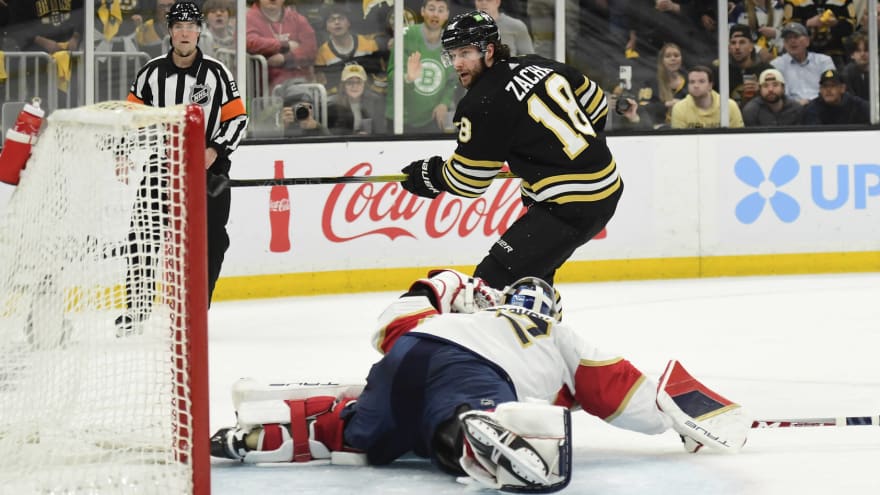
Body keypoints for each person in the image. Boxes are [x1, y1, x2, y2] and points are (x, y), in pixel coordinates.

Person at [208, 271, 751, 492]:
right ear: (552, 309)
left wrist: (444, 284)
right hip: (474, 373)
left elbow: (387, 328)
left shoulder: (467, 313)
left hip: (414, 349)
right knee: (453, 415)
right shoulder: (562, 337)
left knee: (367, 434)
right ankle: (470, 432)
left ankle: (284, 433)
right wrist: (677, 425)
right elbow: (623, 392)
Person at [398, 11, 622, 290]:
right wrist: (573, 150)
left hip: (568, 206)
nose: (457, 63)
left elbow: (469, 181)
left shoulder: (482, 102)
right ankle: (543, 328)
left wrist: (430, 175)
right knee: (533, 280)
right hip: (606, 185)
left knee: (493, 284)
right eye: (452, 55)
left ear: (488, 50)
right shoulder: (538, 64)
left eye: (465, 53)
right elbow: (597, 104)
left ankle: (534, 327)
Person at [122, 1, 248, 333]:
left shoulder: (218, 72)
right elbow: (131, 118)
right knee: (142, 236)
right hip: (162, 168)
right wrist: (124, 150)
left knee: (213, 241)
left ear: (199, 31)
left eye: (190, 26)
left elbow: (238, 118)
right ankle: (137, 308)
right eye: (178, 26)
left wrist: (215, 149)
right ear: (170, 31)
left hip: (210, 173)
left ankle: (197, 308)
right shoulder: (150, 73)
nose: (184, 32)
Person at [386, 0, 457, 134]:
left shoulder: (450, 44)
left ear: (447, 15)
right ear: (422, 11)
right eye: (431, 9)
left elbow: (452, 81)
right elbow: (391, 74)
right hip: (400, 119)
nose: (435, 14)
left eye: (441, 10)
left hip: (430, 120)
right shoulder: (406, 36)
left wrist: (444, 103)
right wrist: (407, 78)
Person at [246, 0, 318, 88]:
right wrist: (284, 46)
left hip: (301, 85)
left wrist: (285, 59)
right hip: (265, 89)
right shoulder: (248, 18)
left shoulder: (296, 18)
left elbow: (311, 48)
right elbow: (249, 42)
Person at [314, 4, 382, 96]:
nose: (337, 22)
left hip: (369, 98)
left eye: (341, 18)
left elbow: (380, 77)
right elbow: (325, 87)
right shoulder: (321, 54)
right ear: (326, 27)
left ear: (348, 23)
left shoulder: (369, 44)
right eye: (331, 20)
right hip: (339, 102)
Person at [770, 22, 836, 105]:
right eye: (788, 38)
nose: (792, 41)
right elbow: (777, 95)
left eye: (796, 37)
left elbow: (831, 87)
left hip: (821, 106)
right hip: (791, 109)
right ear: (784, 43)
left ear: (807, 41)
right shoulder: (776, 65)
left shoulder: (823, 61)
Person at [783, 0, 857, 68]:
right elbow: (787, 27)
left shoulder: (843, 1)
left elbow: (852, 27)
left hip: (835, 54)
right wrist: (807, 23)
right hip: (803, 55)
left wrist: (836, 23)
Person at [670, 65, 745, 128]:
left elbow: (739, 138)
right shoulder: (679, 109)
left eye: (701, 81)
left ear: (710, 85)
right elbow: (680, 142)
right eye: (692, 82)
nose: (696, 86)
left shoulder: (729, 106)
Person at [327, 63, 387, 135]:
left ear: (364, 84)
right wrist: (353, 135)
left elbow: (380, 130)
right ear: (343, 85)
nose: (354, 86)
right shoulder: (333, 104)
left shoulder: (375, 102)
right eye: (350, 82)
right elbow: (332, 133)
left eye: (359, 82)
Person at [726, 24, 773, 109]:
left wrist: (762, 91)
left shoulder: (766, 71)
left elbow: (777, 102)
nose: (737, 47)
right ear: (729, 48)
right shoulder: (721, 71)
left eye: (742, 42)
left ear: (751, 47)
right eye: (733, 43)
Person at [801, 68, 870, 125]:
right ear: (820, 90)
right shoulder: (813, 108)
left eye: (833, 85)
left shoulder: (856, 104)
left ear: (842, 88)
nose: (828, 90)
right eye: (825, 86)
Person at [200, 0, 237, 72]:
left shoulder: (237, 37)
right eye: (213, 12)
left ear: (229, 16)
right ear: (206, 18)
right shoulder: (203, 38)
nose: (218, 14)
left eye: (223, 11)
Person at [841, 31, 869, 100]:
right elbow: (851, 101)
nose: (862, 54)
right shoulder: (847, 73)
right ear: (852, 55)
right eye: (858, 51)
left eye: (866, 50)